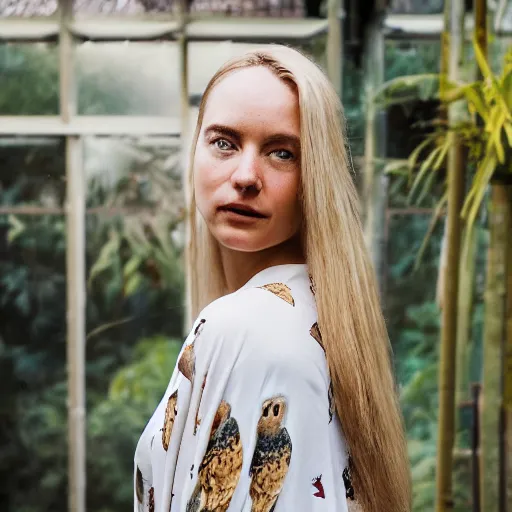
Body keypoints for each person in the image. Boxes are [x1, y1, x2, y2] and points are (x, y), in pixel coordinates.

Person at [134, 45, 411, 512]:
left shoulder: (245, 326)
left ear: (314, 179)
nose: (245, 176)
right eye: (223, 142)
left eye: (281, 153)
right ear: (196, 151)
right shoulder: (318, 315)